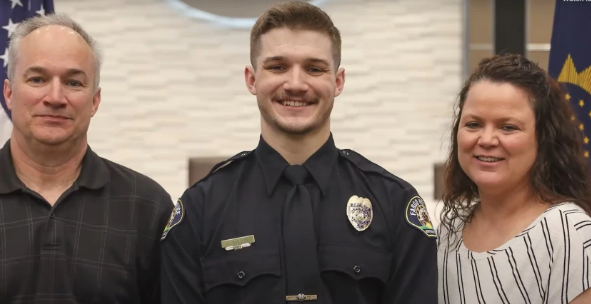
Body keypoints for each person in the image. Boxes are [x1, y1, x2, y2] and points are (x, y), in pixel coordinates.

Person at [160, 1, 438, 303]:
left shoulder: (394, 205)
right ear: (252, 80)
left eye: (314, 68)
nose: (295, 84)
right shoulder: (201, 210)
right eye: (277, 67)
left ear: (338, 81)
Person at [0, 14, 173, 303]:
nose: (55, 97)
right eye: (38, 79)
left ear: (94, 101)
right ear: (8, 93)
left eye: (74, 83)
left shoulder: (146, 206)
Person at [437, 53, 591, 304]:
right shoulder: (449, 231)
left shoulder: (570, 232)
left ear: (543, 138)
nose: (486, 140)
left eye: (508, 127)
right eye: (474, 124)